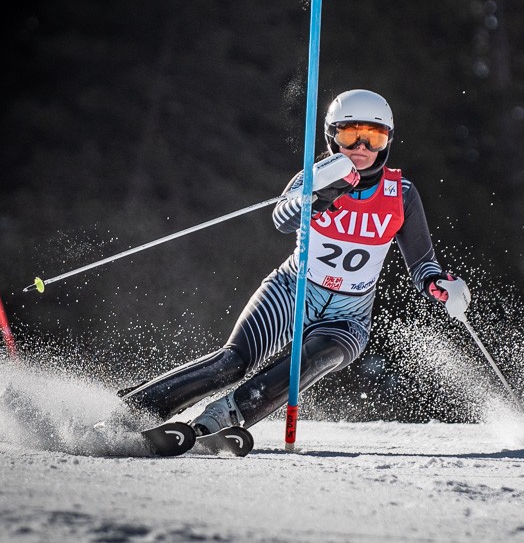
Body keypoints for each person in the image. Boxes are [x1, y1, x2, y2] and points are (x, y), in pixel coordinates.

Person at [118, 89, 469, 436]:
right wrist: (315, 198)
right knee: (231, 364)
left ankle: (218, 422)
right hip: (292, 290)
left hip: (349, 316)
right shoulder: (313, 177)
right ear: (332, 136)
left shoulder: (401, 193)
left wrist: (437, 283)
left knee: (308, 362)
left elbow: (422, 263)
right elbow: (282, 219)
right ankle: (134, 410)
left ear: (387, 141)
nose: (361, 147)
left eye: (373, 137)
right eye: (350, 135)